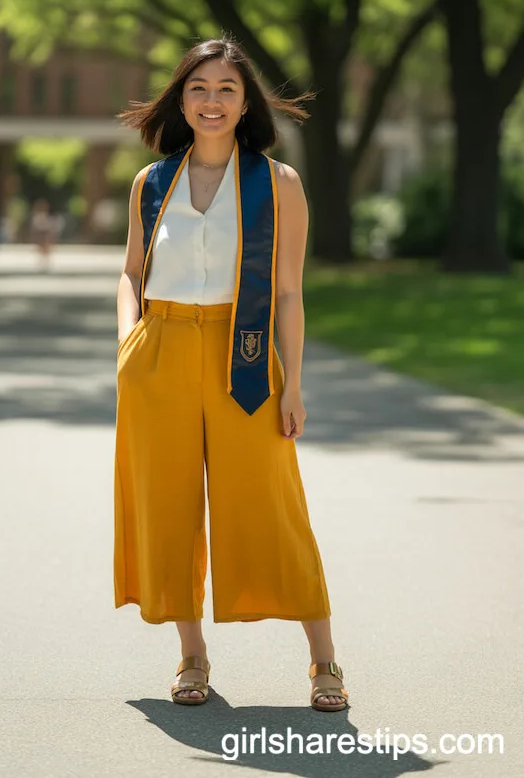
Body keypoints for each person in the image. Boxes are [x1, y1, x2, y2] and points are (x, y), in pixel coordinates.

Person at [113, 37, 348, 712]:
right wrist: (129, 340)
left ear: (246, 103)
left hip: (244, 361)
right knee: (171, 507)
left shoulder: (278, 184)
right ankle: (192, 658)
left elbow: (288, 294)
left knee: (274, 507)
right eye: (199, 88)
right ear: (179, 98)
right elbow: (132, 271)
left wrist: (293, 382)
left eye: (226, 90)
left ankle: (324, 662)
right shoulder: (152, 182)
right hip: (161, 355)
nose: (211, 102)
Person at [30, 198, 57, 271]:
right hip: (41, 235)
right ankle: (42, 260)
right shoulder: (37, 217)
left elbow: (50, 227)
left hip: (45, 235)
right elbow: (36, 227)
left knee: (46, 248)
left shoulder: (46, 216)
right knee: (41, 248)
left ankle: (45, 260)